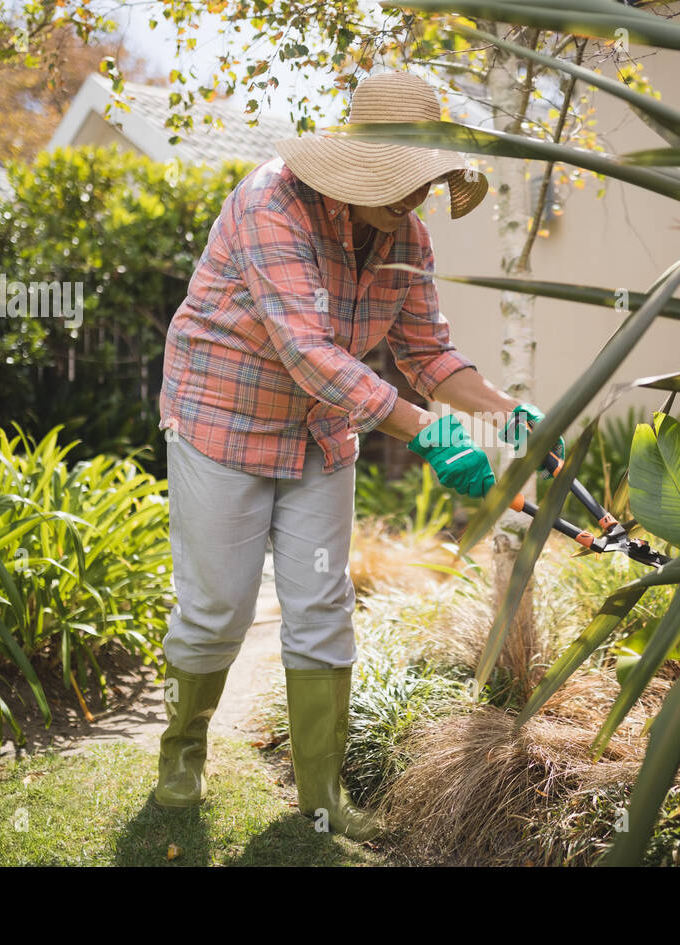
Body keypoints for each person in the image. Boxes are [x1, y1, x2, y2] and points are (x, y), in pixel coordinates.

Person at [153, 70, 558, 840]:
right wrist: (429, 431)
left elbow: (428, 351)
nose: (413, 200)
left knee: (322, 605)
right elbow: (307, 352)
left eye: (422, 184)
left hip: (319, 433)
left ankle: (321, 797)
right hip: (224, 421)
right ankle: (182, 753)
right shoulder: (270, 204)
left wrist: (512, 416)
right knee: (217, 609)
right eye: (400, 183)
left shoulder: (408, 234)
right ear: (354, 168)